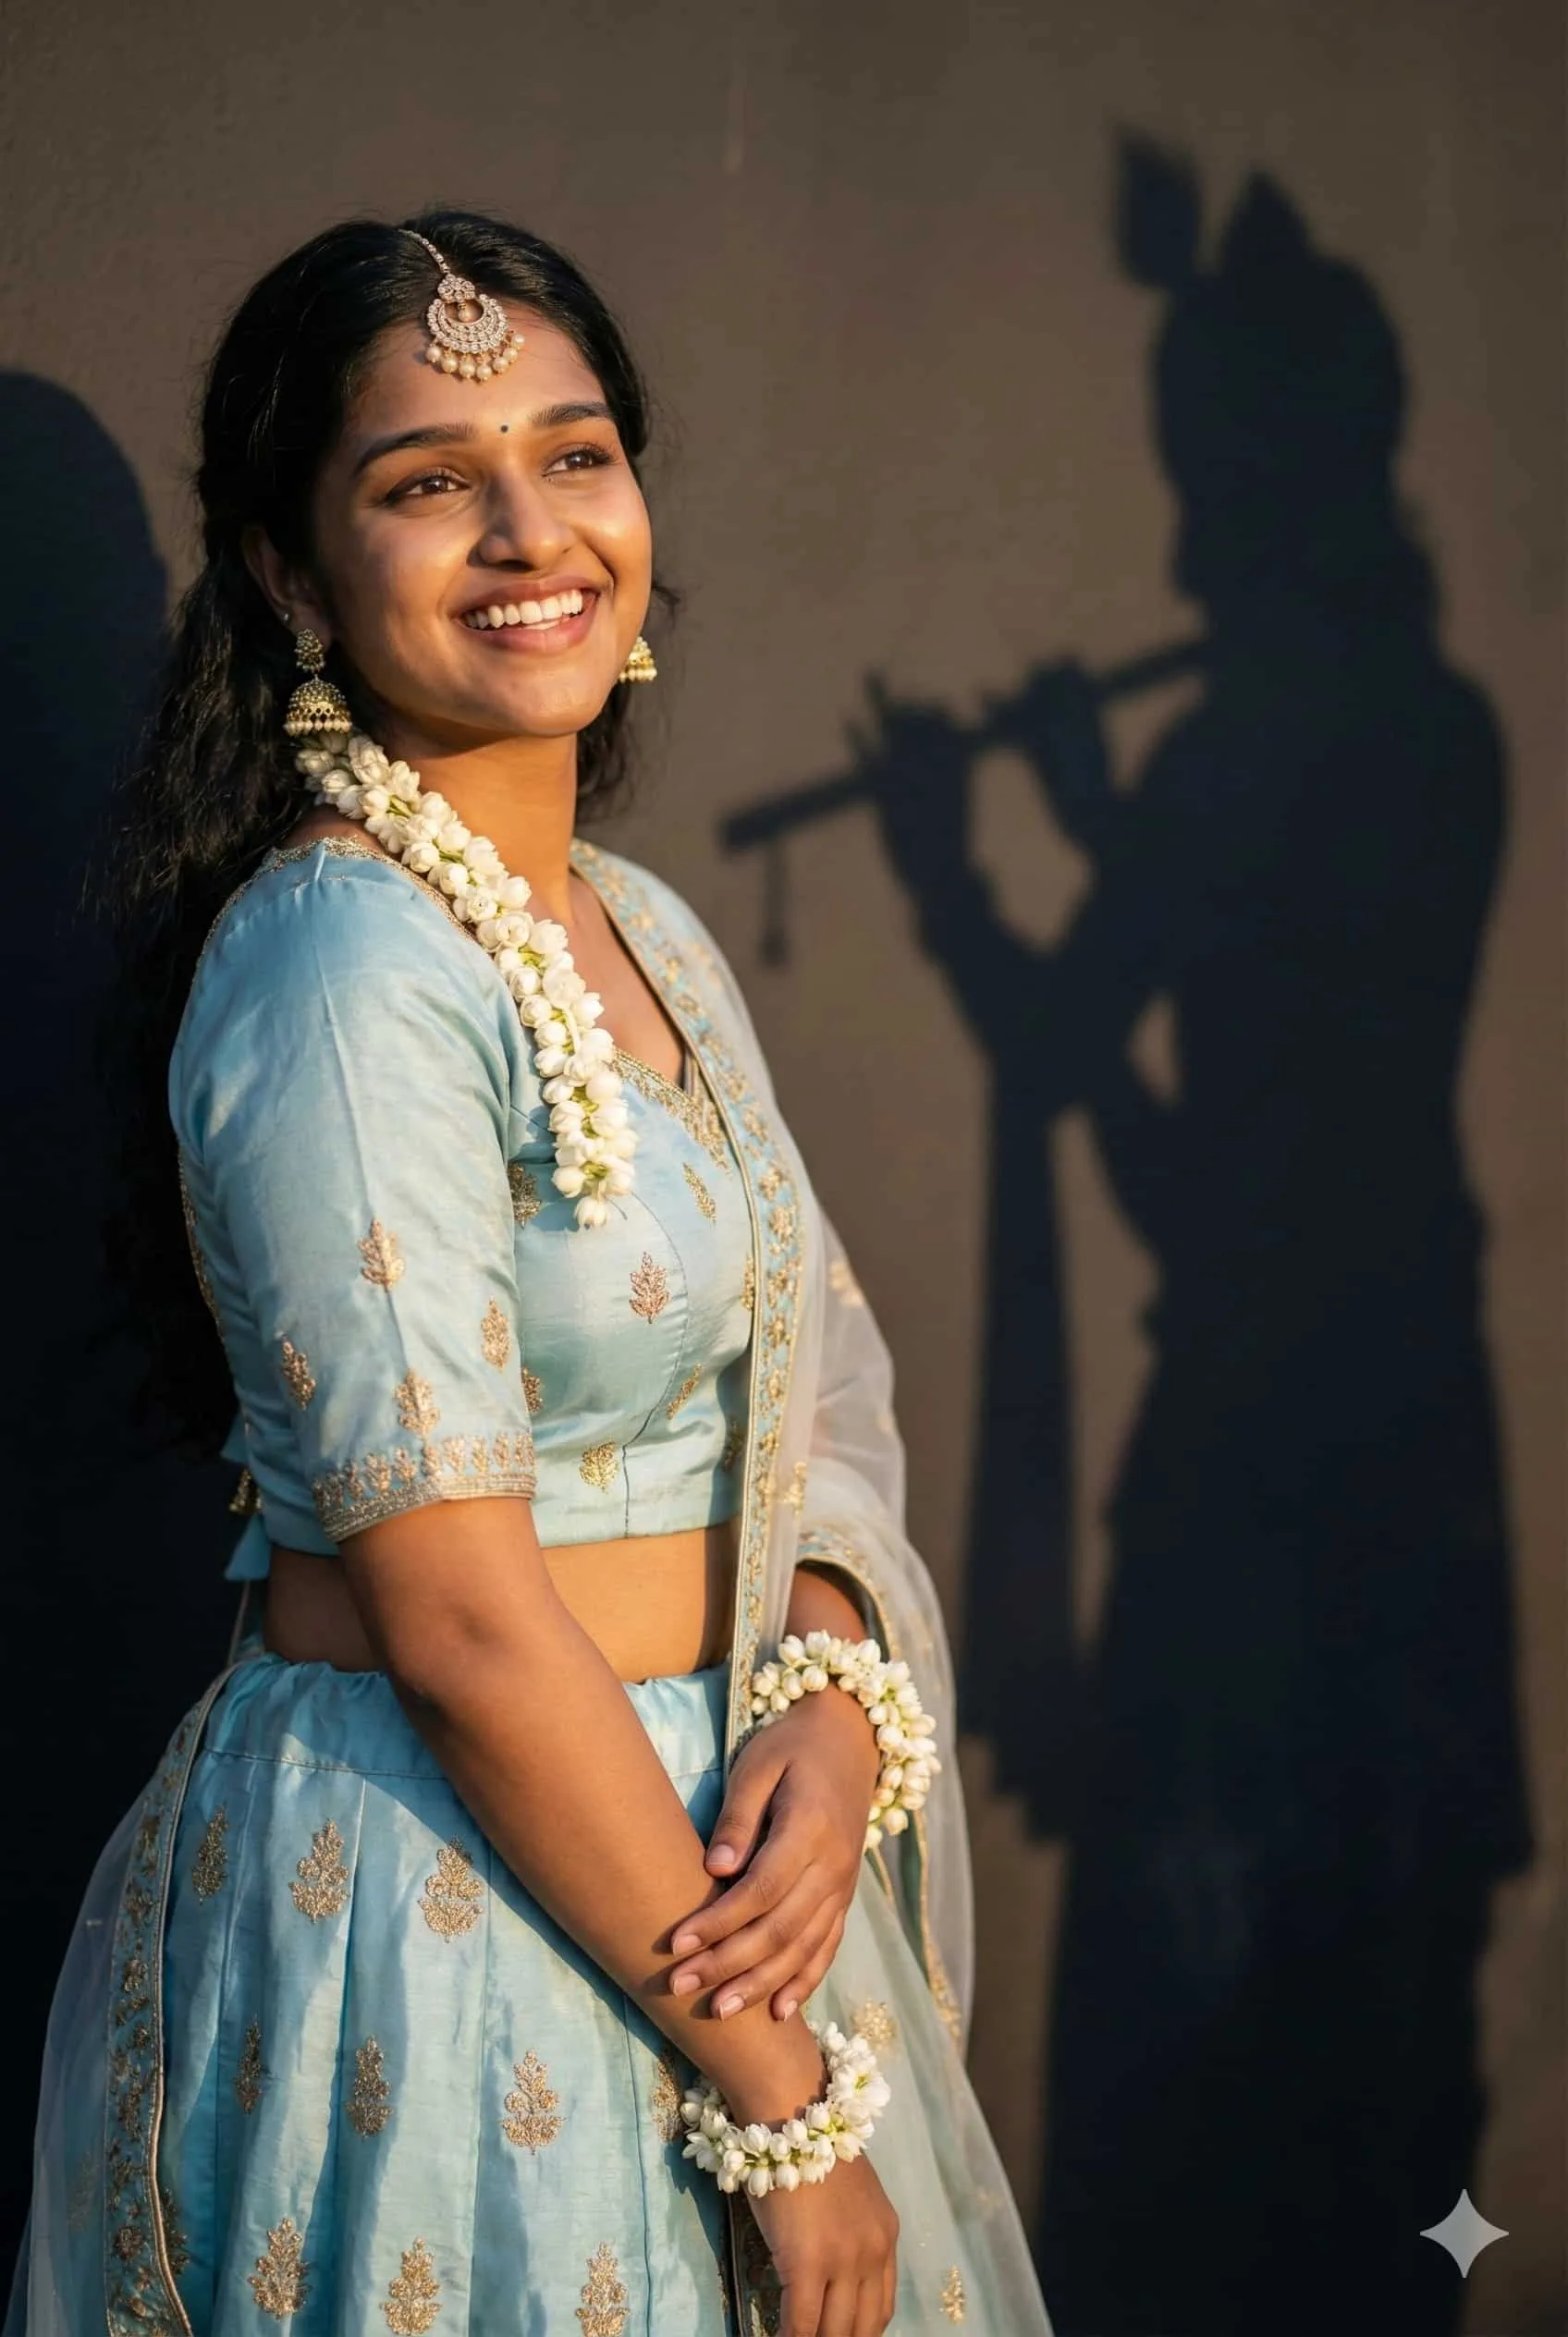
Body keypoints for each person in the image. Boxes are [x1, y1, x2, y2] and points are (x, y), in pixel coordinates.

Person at [6, 213, 1051, 2337]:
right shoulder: (341, 964)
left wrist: (831, 1696)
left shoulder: (645, 931)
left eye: (574, 456)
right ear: (292, 574)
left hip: (725, 1867)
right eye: (427, 481)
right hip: (457, 1903)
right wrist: (784, 2109)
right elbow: (462, 1621)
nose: (529, 532)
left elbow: (816, 1378)